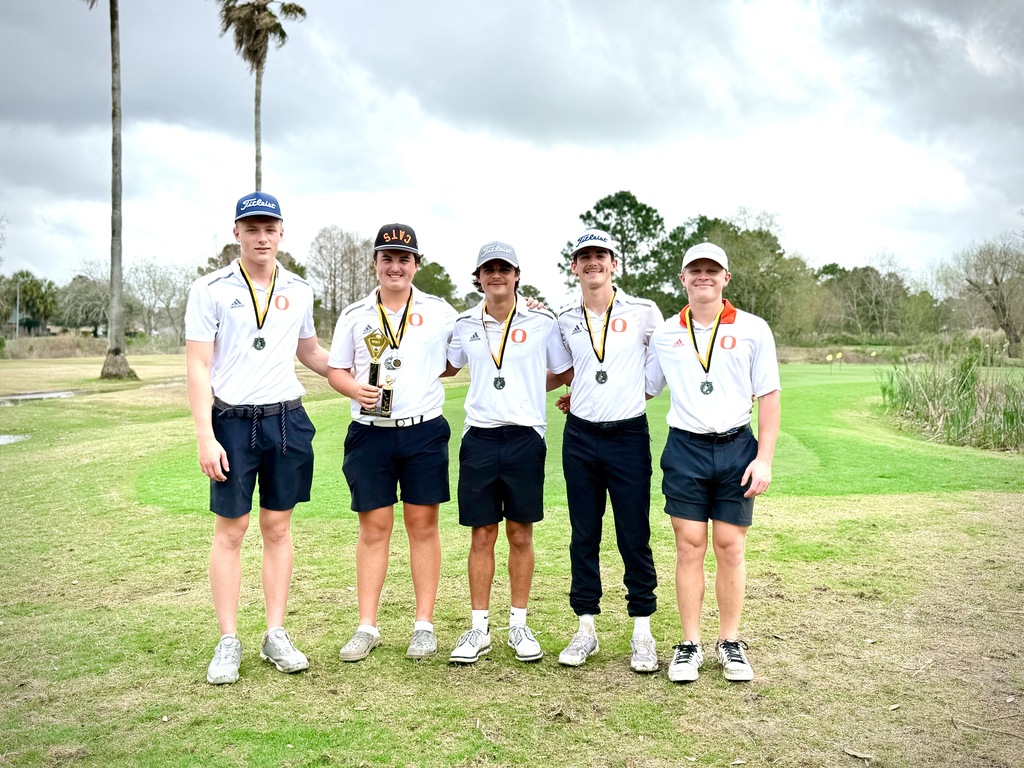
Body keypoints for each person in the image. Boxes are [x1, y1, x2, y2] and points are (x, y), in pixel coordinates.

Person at [186, 191, 330, 685]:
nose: (261, 236)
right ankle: (228, 641)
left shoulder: (300, 289)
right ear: (237, 233)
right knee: (231, 530)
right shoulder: (209, 288)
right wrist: (205, 435)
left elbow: (311, 353)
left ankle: (275, 634)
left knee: (278, 528)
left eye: (269, 228)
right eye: (252, 228)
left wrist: (359, 378)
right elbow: (199, 364)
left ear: (282, 232)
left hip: (286, 420)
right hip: (230, 422)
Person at [646, 242, 780, 683]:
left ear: (726, 278)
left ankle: (730, 642)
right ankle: (689, 644)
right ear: (682, 279)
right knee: (689, 546)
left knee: (730, 546)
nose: (703, 276)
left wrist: (764, 459)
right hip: (685, 448)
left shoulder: (753, 328)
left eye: (712, 270)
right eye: (695, 270)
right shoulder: (666, 332)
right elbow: (644, 386)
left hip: (737, 447)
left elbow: (770, 396)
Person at [327, 223, 458, 662]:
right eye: (387, 258)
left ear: (416, 264)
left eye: (404, 259)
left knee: (423, 526)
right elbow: (337, 370)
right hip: (370, 434)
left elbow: (458, 360)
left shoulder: (442, 312)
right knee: (374, 528)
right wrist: (353, 390)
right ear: (375, 264)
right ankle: (367, 626)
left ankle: (424, 625)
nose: (395, 266)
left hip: (423, 431)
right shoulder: (355, 315)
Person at [444, 242, 573, 664]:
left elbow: (566, 370)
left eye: (504, 268)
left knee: (520, 532)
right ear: (478, 276)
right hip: (479, 437)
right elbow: (446, 366)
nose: (496, 275)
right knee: (482, 534)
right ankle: (479, 628)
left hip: (524, 438)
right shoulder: (464, 323)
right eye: (488, 269)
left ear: (517, 274)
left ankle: (518, 624)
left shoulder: (541, 321)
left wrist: (538, 391)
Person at [553, 229, 664, 673]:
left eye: (601, 256)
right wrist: (578, 394)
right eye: (585, 257)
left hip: (628, 436)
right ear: (575, 267)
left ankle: (642, 632)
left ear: (614, 264)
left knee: (633, 533)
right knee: (584, 533)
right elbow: (566, 370)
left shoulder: (643, 312)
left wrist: (638, 392)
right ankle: (585, 629)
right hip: (580, 438)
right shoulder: (563, 318)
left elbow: (662, 358)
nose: (593, 263)